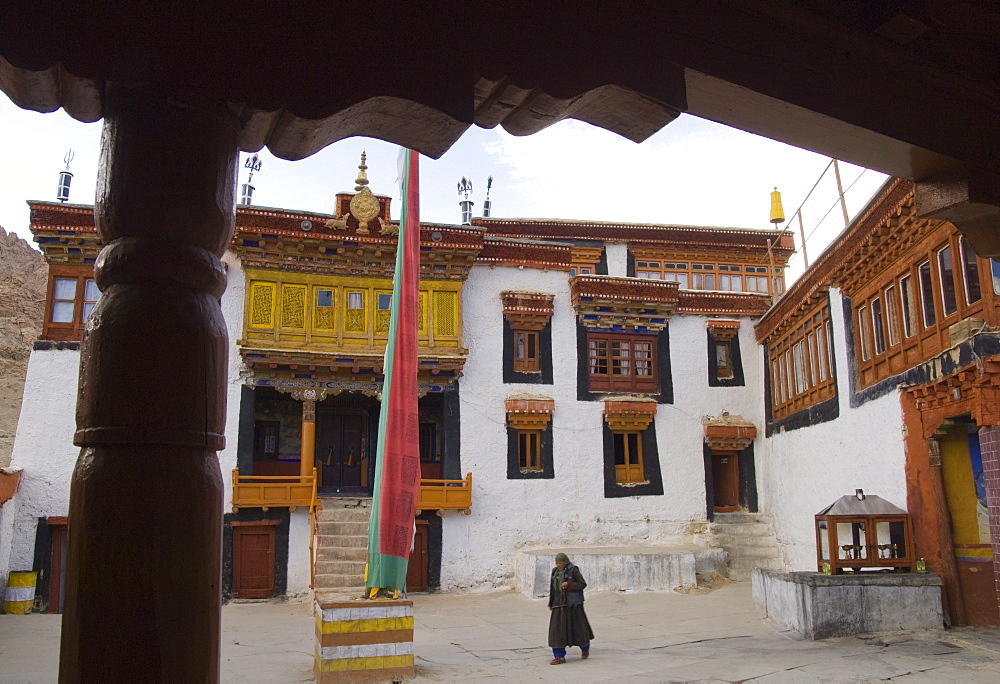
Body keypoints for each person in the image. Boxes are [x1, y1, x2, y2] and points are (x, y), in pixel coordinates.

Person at [547, 552, 594, 664]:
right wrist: (551, 601)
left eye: (560, 563)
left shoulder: (573, 570)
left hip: (573, 605)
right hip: (559, 604)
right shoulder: (555, 572)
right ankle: (559, 656)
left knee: (578, 629)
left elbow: (582, 584)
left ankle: (585, 648)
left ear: (565, 562)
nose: (558, 565)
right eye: (556, 563)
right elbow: (553, 588)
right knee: (556, 631)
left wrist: (569, 585)